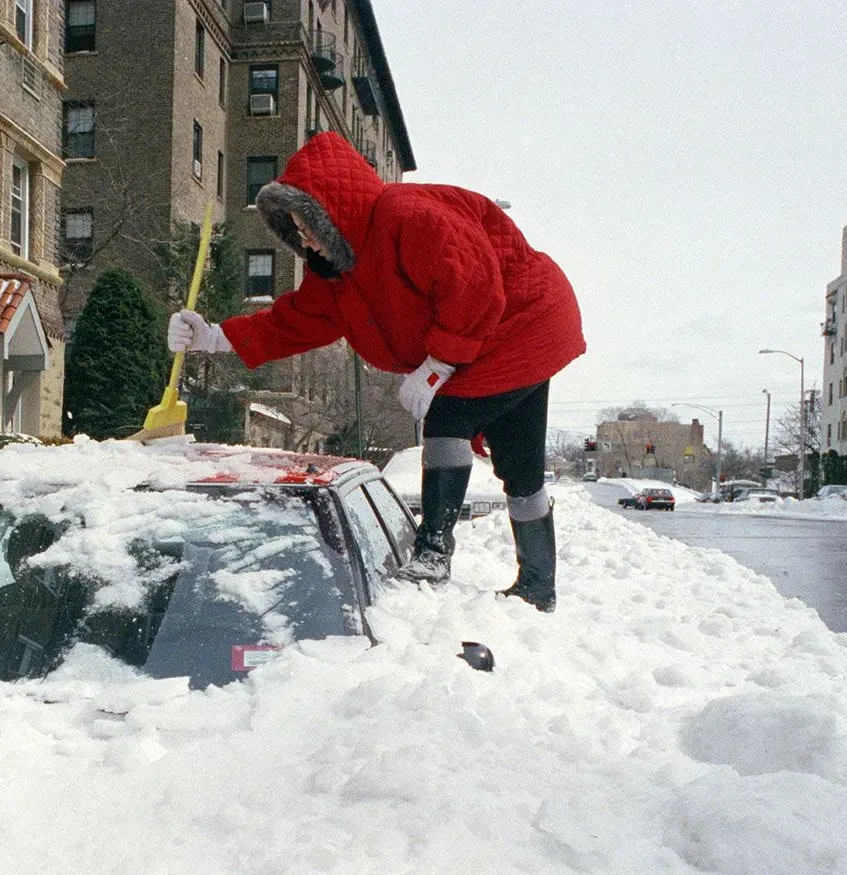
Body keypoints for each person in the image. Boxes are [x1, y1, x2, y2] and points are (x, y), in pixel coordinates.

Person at [167, 131, 585, 611]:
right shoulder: (338, 275)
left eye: (307, 224)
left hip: (524, 319)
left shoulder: (406, 215)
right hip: (507, 335)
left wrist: (436, 367)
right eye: (295, 229)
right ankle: (538, 588)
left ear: (331, 212)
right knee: (521, 467)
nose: (303, 239)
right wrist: (212, 337)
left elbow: (473, 284)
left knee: (448, 417)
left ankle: (433, 554)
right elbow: (294, 322)